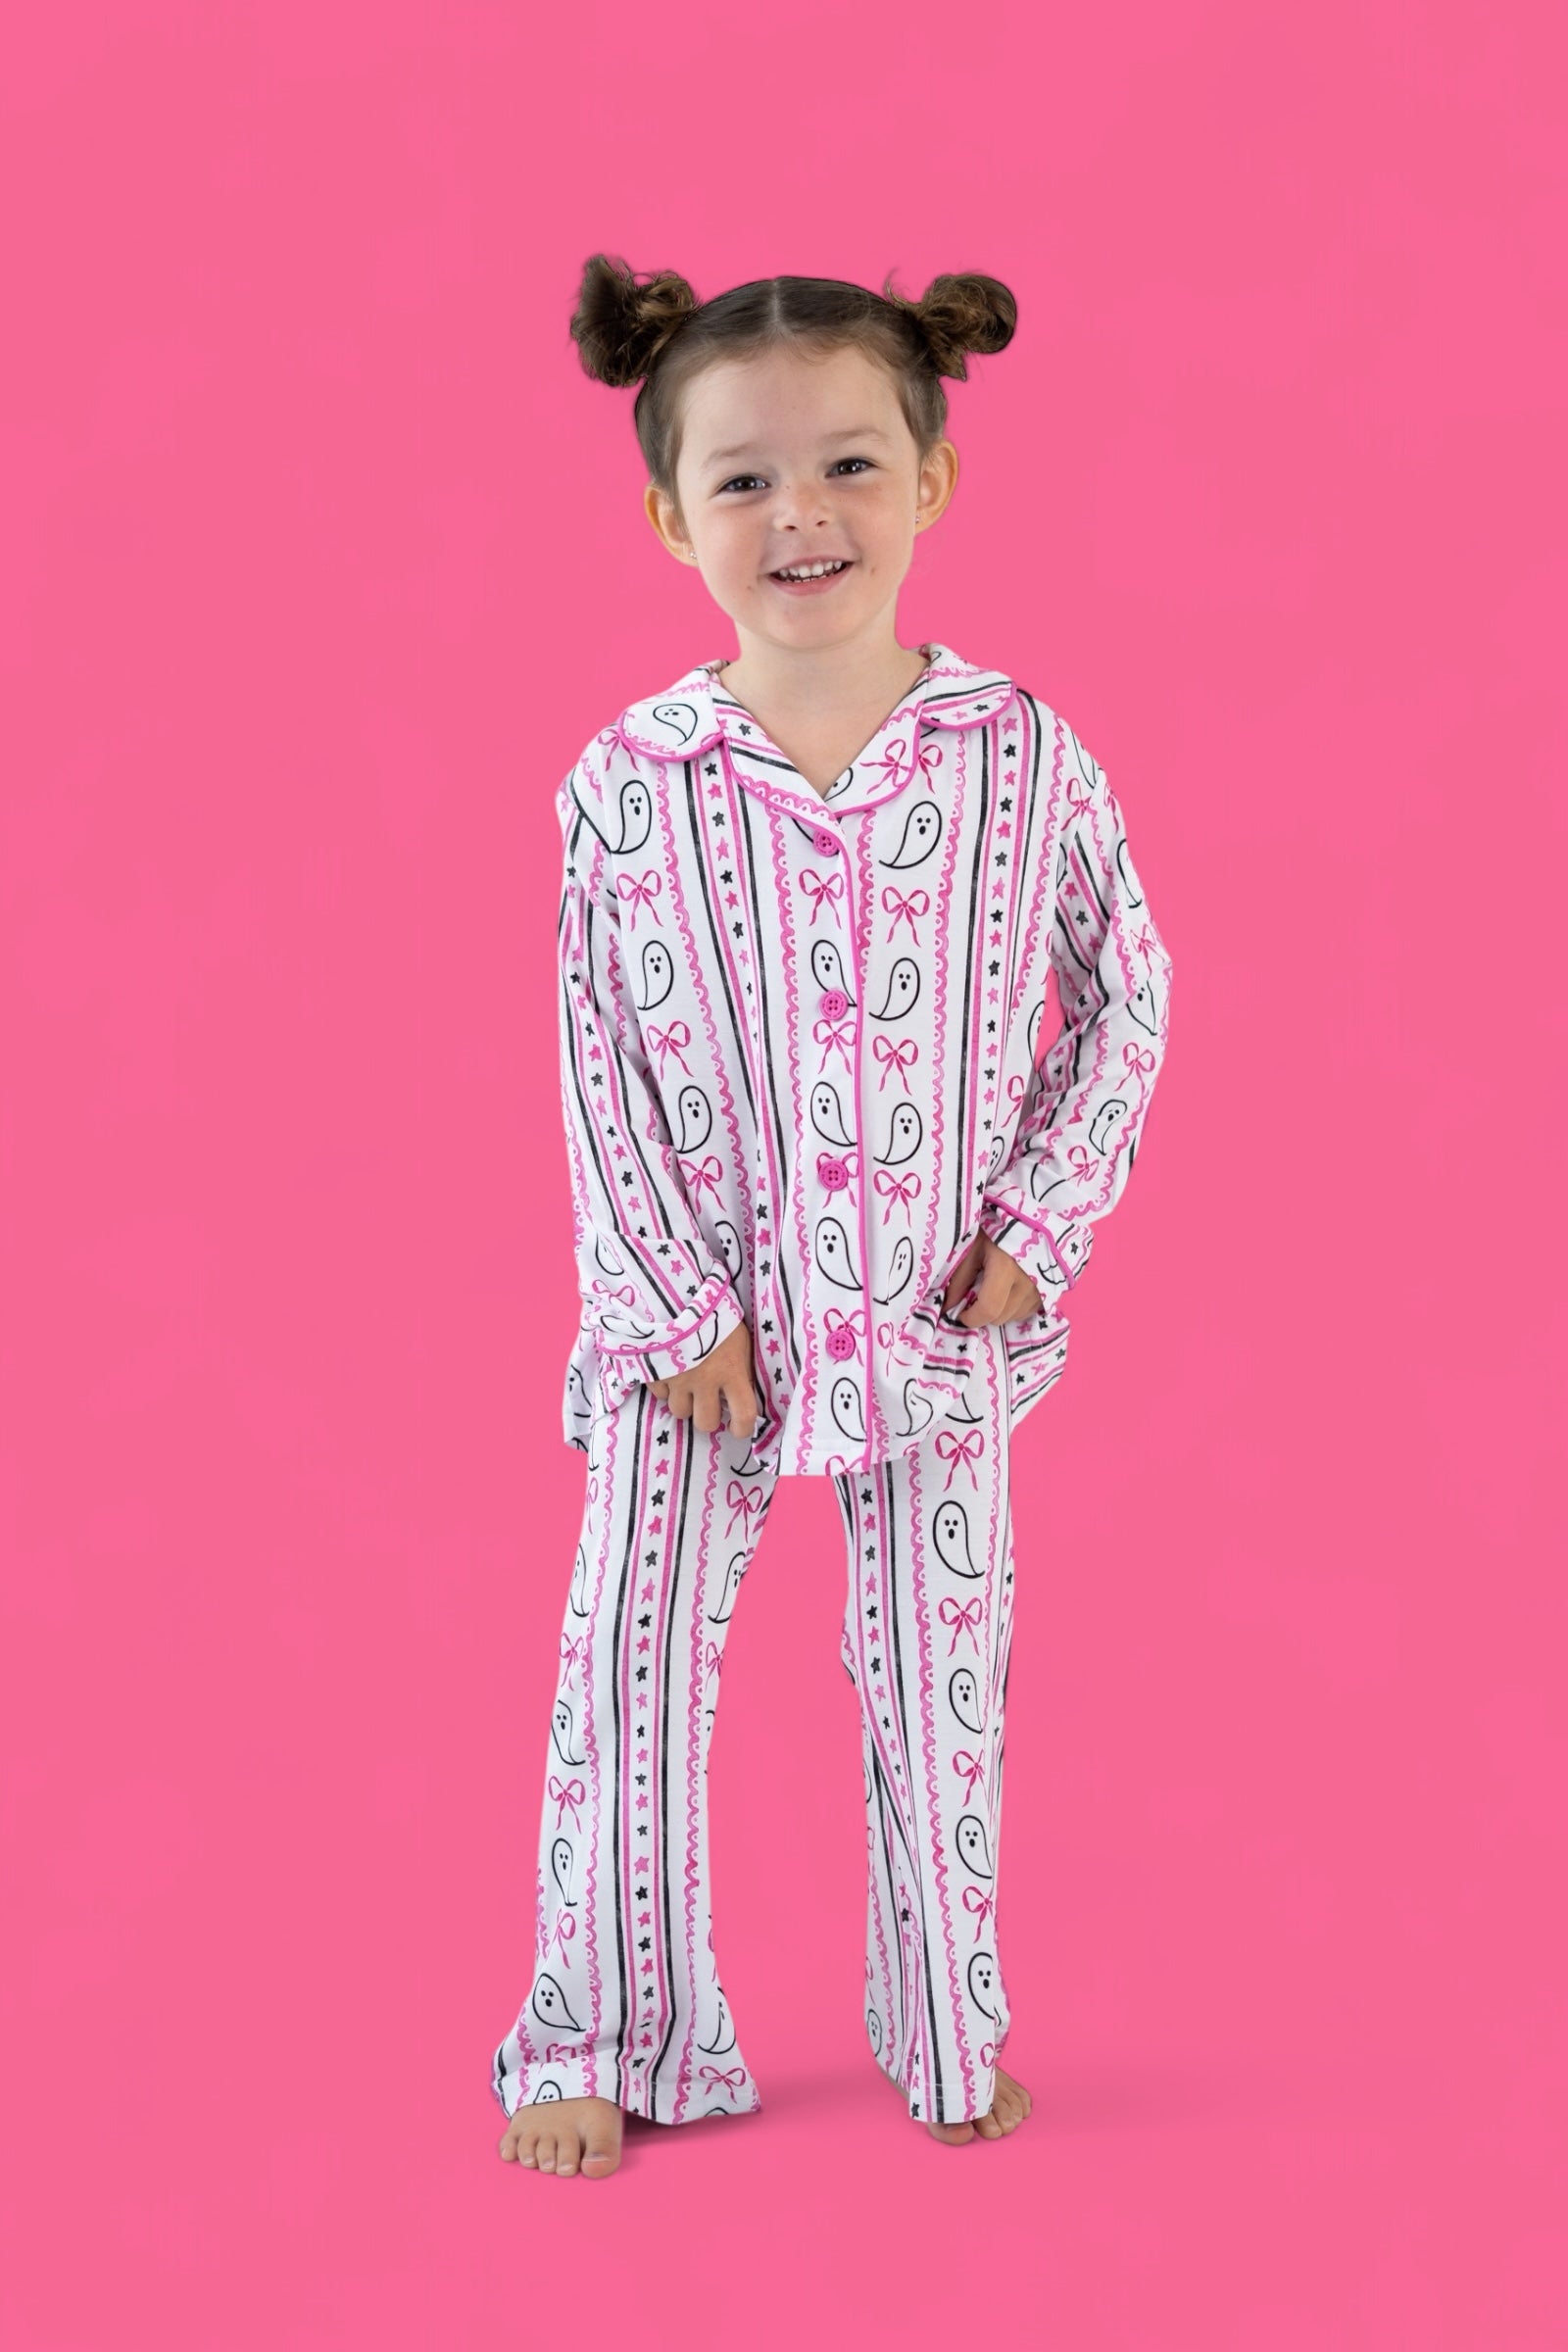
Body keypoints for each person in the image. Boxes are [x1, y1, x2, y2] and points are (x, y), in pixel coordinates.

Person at [491, 257, 1173, 2179]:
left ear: (930, 481)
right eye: (744, 480)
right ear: (668, 515)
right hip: (690, 1331)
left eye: (850, 464)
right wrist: (663, 1303)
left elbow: (1124, 991)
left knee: (941, 1680)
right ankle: (596, 2032)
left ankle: (944, 2024)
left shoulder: (1021, 754)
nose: (801, 514)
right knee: (625, 1672)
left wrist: (1041, 1220)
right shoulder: (629, 784)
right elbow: (594, 1052)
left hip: (934, 1313)